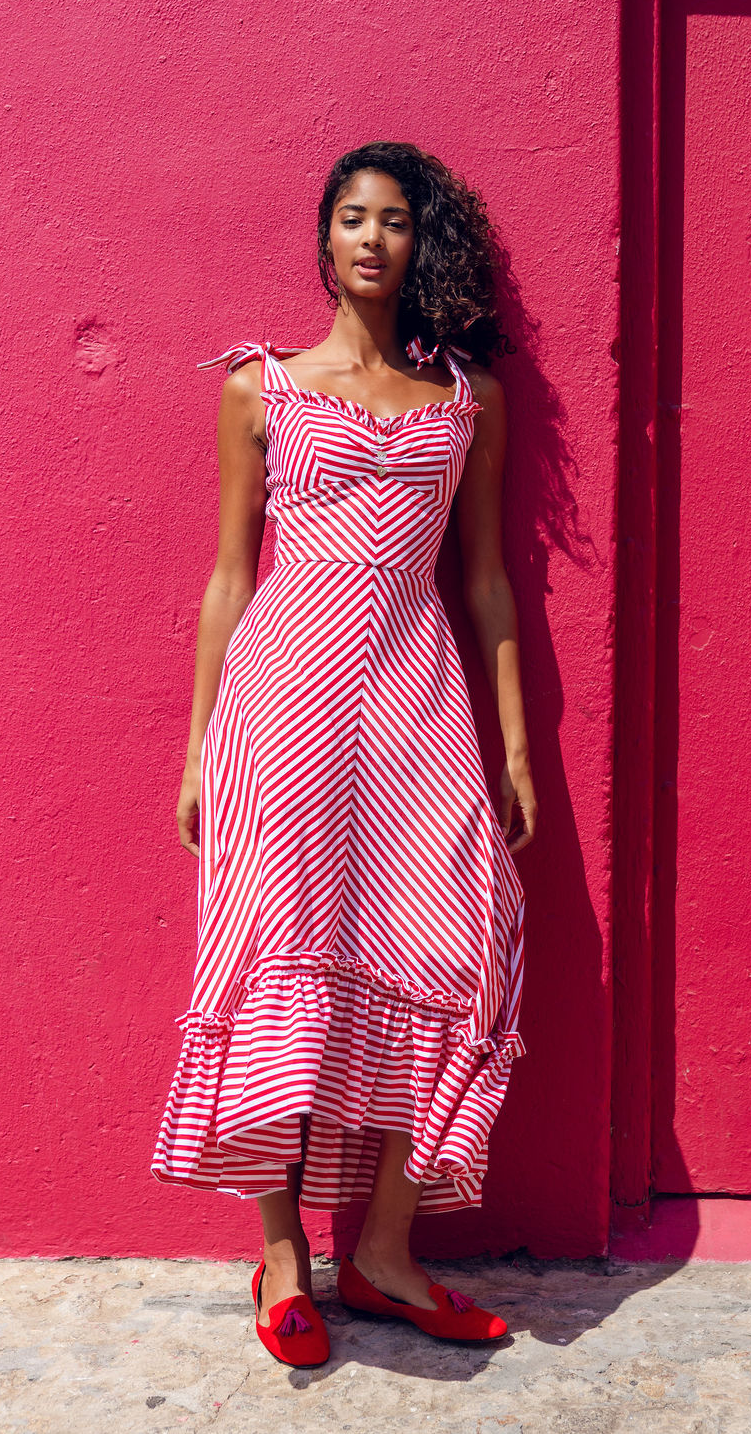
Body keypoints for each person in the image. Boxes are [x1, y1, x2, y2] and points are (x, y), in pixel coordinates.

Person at [151, 141, 538, 1366]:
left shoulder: (465, 400)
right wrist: (200, 741)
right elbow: (226, 578)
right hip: (287, 702)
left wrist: (514, 746)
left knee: (435, 944)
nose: (373, 239)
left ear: (424, 245)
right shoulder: (257, 388)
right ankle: (280, 1252)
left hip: (418, 702)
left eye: (395, 221)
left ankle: (379, 1249)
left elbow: (483, 581)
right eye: (352, 219)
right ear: (323, 239)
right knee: (273, 948)